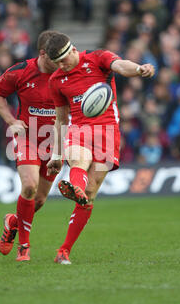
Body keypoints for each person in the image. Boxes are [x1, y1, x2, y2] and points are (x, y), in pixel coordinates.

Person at [46, 32, 155, 264]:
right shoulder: (56, 80)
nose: (62, 66)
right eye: (57, 63)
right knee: (79, 160)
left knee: (91, 192)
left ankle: (64, 249)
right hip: (79, 129)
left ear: (73, 50)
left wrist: (138, 69)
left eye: (64, 60)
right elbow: (61, 119)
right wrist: (56, 154)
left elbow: (121, 65)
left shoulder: (97, 58)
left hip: (107, 132)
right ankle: (75, 187)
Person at [0, 30, 59, 262]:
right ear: (42, 54)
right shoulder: (20, 72)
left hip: (54, 141)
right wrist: (11, 120)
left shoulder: (66, 73)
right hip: (27, 137)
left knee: (38, 201)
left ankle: (13, 222)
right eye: (55, 57)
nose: (60, 61)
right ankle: (24, 246)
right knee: (29, 186)